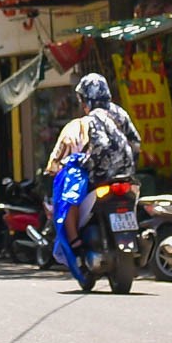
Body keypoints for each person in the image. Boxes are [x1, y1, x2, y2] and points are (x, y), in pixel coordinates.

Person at [44, 72, 141, 245]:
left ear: (88, 98)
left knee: (70, 196)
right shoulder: (120, 113)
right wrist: (129, 165)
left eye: (82, 99)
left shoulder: (93, 117)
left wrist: (86, 162)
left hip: (102, 175)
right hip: (127, 174)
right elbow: (136, 142)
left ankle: (74, 240)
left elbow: (101, 146)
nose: (82, 105)